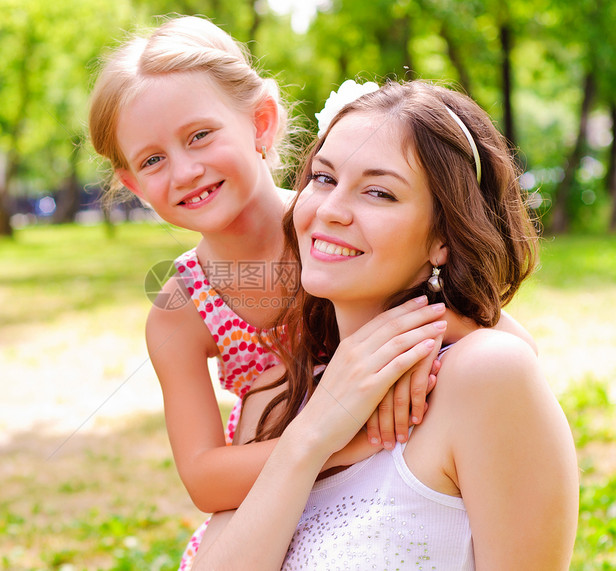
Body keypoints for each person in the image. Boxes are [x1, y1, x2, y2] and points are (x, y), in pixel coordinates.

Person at [88, 16, 536, 568]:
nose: (184, 171)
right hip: (271, 491)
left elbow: (509, 344)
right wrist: (349, 433)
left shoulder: (329, 234)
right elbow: (204, 478)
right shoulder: (182, 309)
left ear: (261, 123)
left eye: (200, 135)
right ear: (133, 183)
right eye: (152, 160)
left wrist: (415, 345)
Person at [193, 79, 579, 569]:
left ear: (443, 237)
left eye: (378, 192)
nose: (329, 210)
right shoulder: (275, 395)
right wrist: (311, 437)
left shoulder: (485, 375)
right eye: (324, 178)